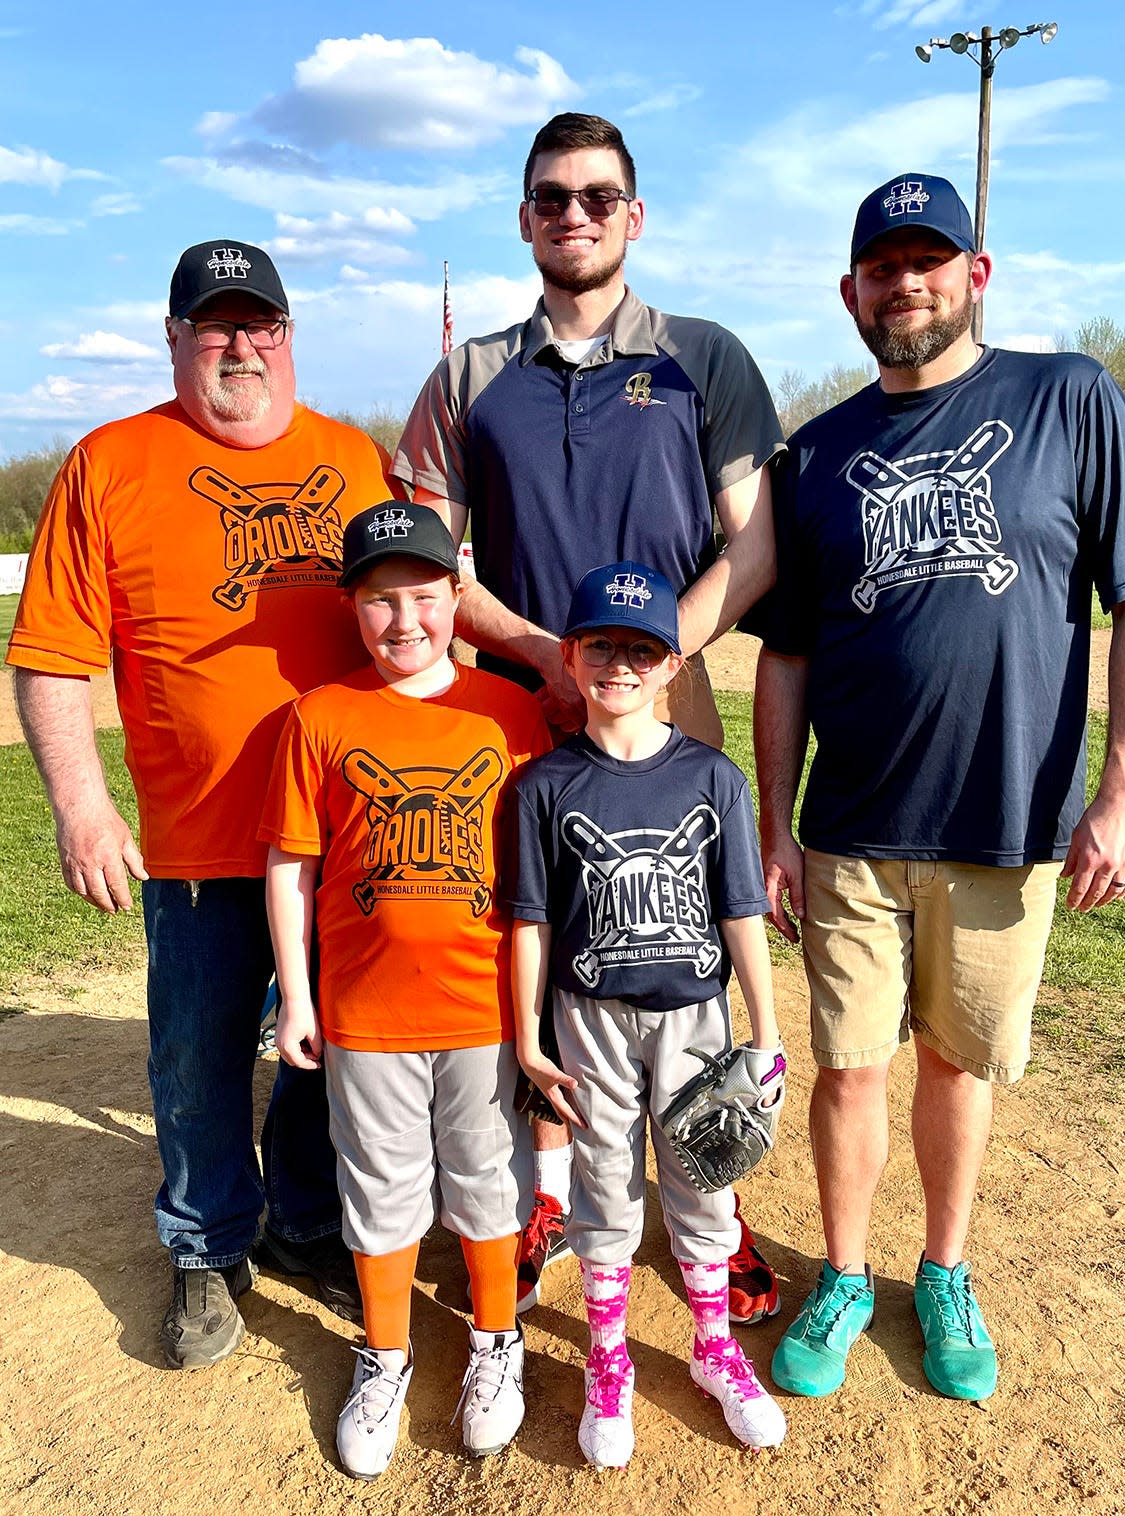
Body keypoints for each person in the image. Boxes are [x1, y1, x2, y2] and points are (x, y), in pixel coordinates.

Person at [751, 173, 1125, 1403]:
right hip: (850, 825)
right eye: (882, 266)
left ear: (976, 273)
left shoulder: (1067, 397)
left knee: (959, 1061)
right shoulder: (819, 453)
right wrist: (776, 823)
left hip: (1005, 821)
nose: (907, 282)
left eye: (928, 259)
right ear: (850, 293)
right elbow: (784, 651)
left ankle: (942, 1268)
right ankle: (845, 1271)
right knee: (848, 1066)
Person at [394, 111, 784, 1322]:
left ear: (634, 214)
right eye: (551, 197)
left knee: (684, 943)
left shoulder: (702, 357)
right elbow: (423, 557)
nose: (575, 214)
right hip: (511, 714)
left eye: (597, 196)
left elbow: (755, 543)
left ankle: (711, 1190)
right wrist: (541, 655)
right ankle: (550, 1192)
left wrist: (662, 653)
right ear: (524, 219)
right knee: (535, 944)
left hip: (671, 699)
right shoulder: (468, 376)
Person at [6, 240, 399, 1368]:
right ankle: (208, 1240)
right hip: (196, 841)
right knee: (198, 1054)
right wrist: (83, 809)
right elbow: (50, 656)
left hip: (347, 833)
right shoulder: (109, 463)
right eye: (214, 325)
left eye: (258, 322)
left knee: (335, 1050)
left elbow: (423, 607)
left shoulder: (354, 459)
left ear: (288, 333)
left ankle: (310, 1220)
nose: (240, 344)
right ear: (174, 338)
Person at [261, 503, 549, 1474]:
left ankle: (495, 1341)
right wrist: (296, 998)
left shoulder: (507, 712)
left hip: (485, 1007)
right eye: (379, 602)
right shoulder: (321, 716)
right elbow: (291, 865)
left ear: (455, 601)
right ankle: (385, 1352)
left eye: (423, 598)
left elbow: (545, 872)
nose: (403, 622)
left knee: (486, 1179)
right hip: (365, 1011)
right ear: (353, 608)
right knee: (380, 1191)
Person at [507, 561, 788, 1467]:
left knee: (704, 1180)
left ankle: (712, 1349)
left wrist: (769, 1031)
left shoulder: (711, 776)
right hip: (588, 1016)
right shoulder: (545, 786)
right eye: (601, 646)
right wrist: (525, 1034)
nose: (619, 665)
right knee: (604, 1188)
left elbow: (741, 909)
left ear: (673, 665)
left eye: (642, 649)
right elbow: (531, 922)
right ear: (571, 655)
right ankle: (609, 1357)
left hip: (695, 1017)